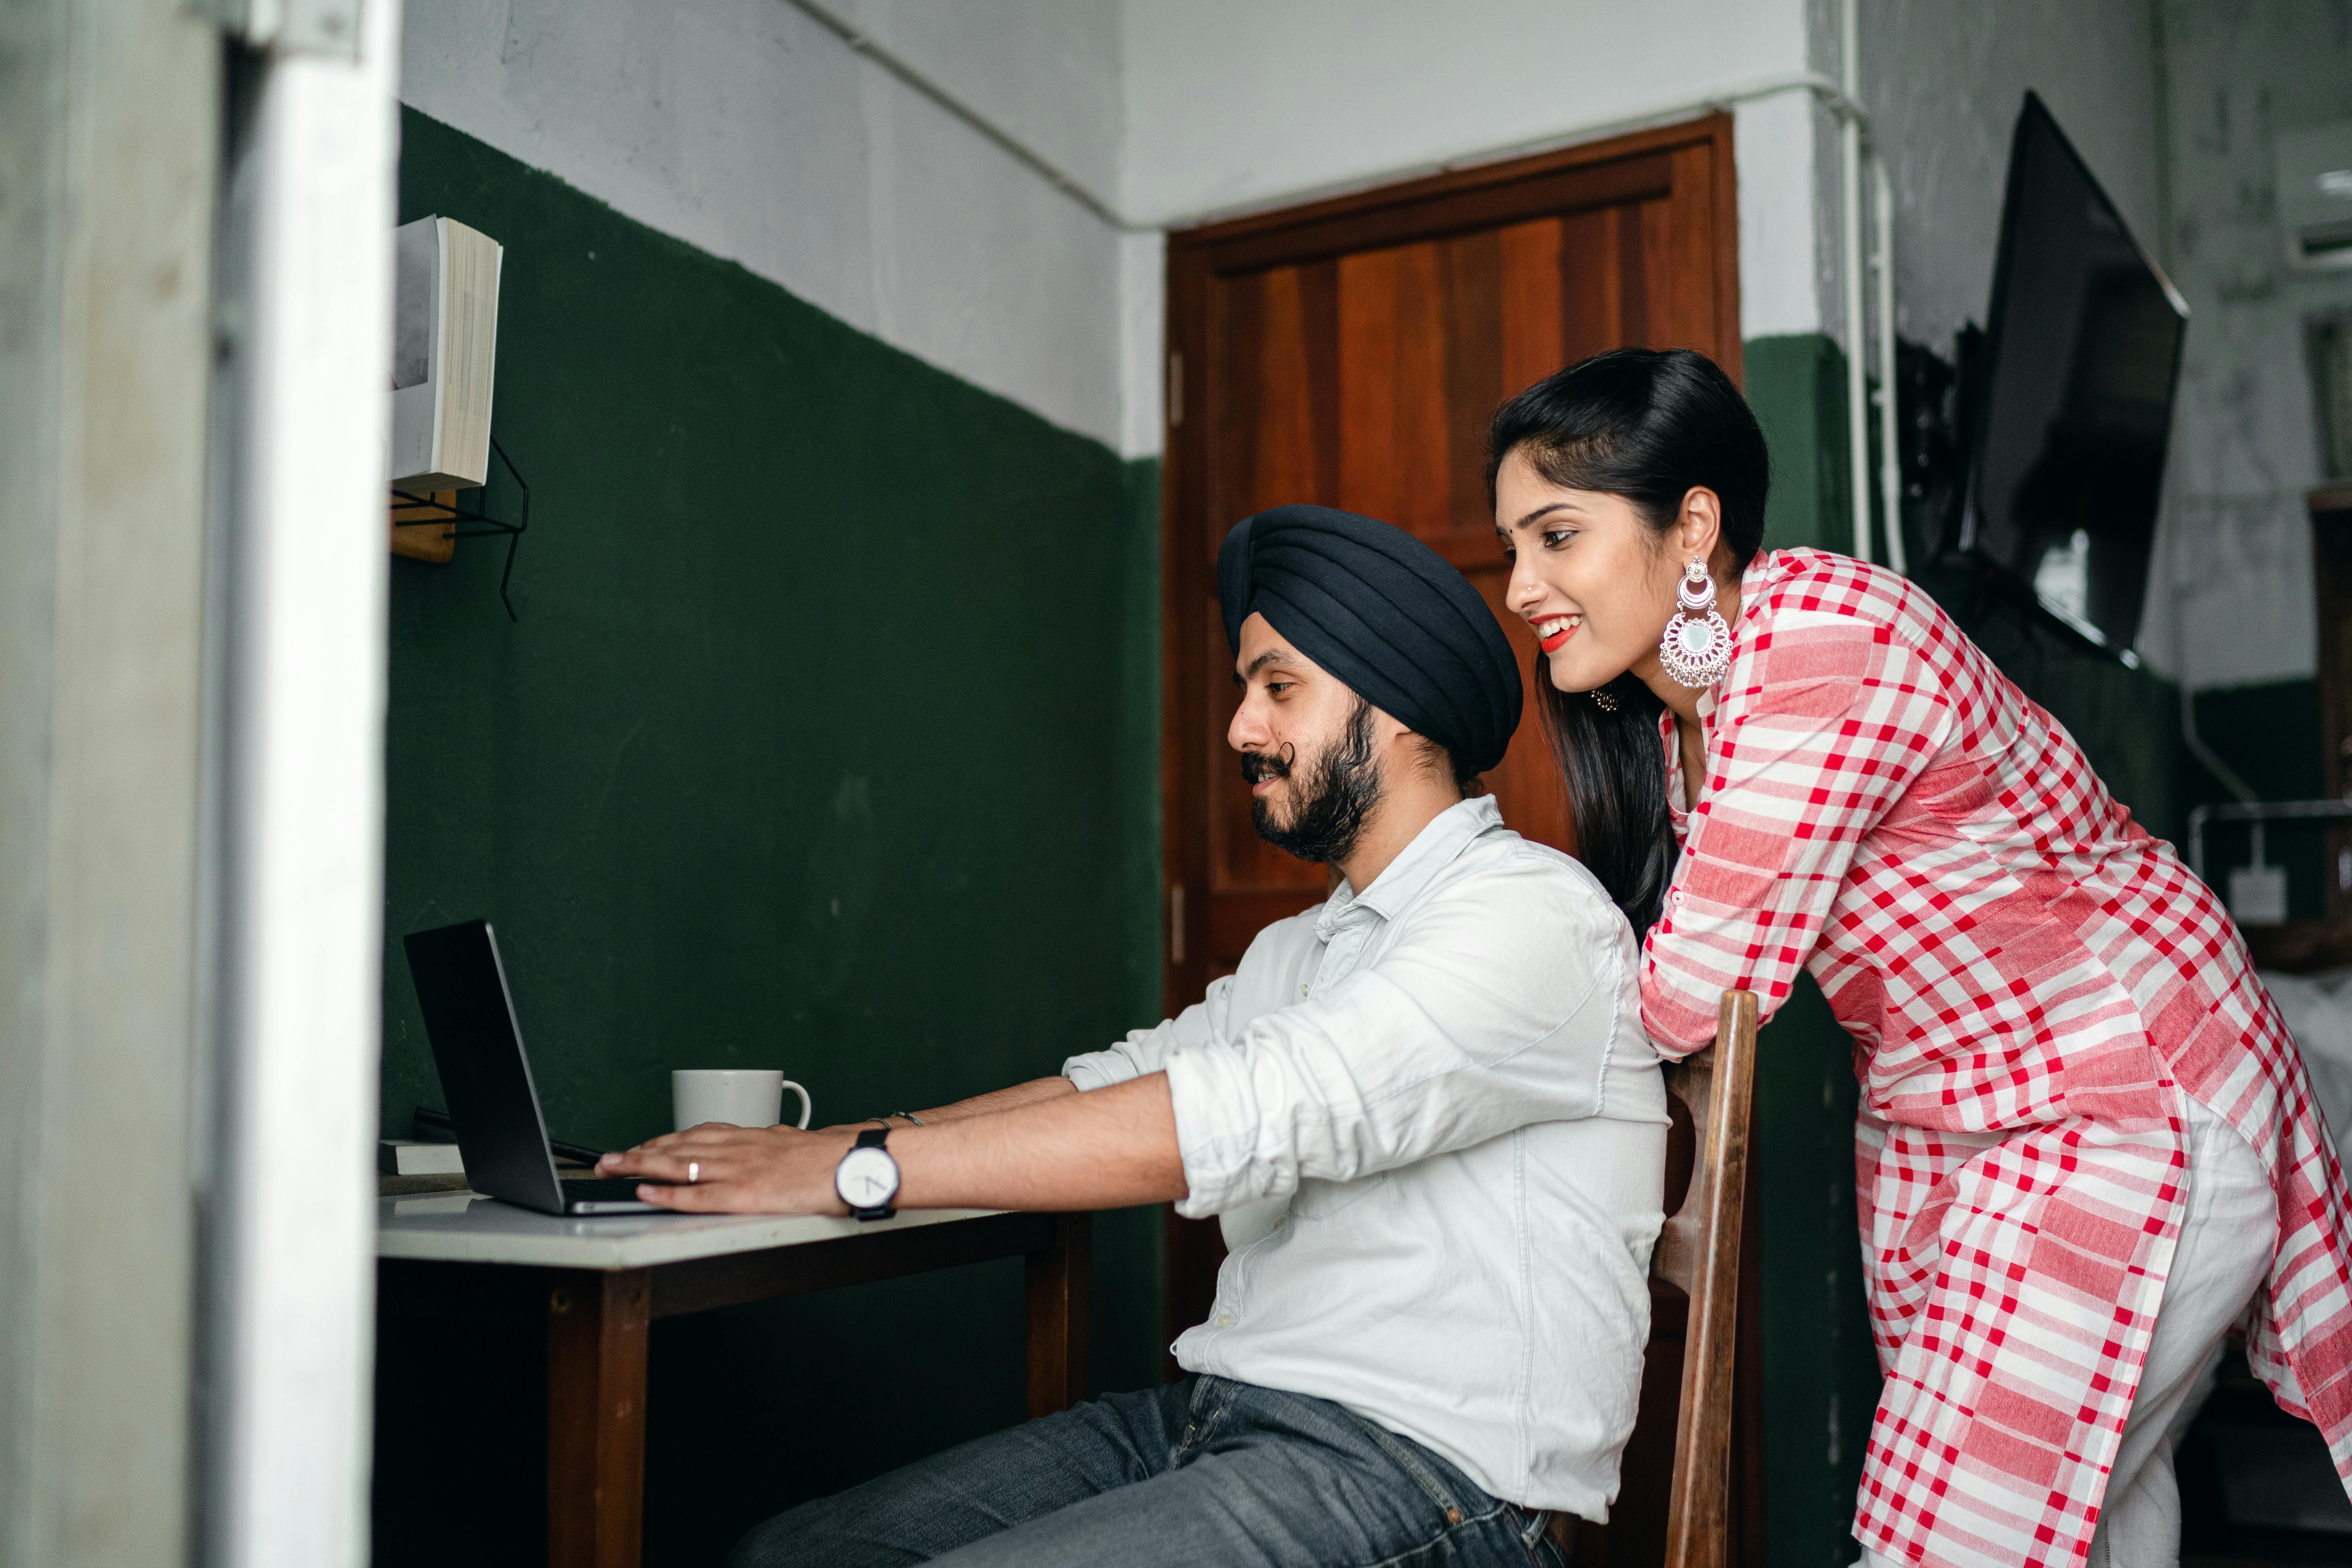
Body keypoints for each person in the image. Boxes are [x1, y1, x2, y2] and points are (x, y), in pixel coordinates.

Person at [598, 504, 1670, 1568]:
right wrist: (833, 1146)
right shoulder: (1299, 949)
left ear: (1402, 711)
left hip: (1430, 1480)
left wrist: (856, 1174)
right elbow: (1117, 1084)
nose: (1240, 729)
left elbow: (1241, 1114)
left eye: (1278, 688)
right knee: (788, 1554)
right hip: (1217, 1416)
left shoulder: (1529, 914)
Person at [1490, 345, 2352, 1568]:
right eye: (1510, 548)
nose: (1520, 586)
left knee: (1944, 1549)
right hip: (2009, 1131)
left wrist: (1460, 1021)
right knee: (2091, 1531)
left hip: (2120, 1109)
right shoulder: (1696, 725)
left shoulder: (1817, 643)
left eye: (1555, 537)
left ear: (1692, 527)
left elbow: (1689, 998)